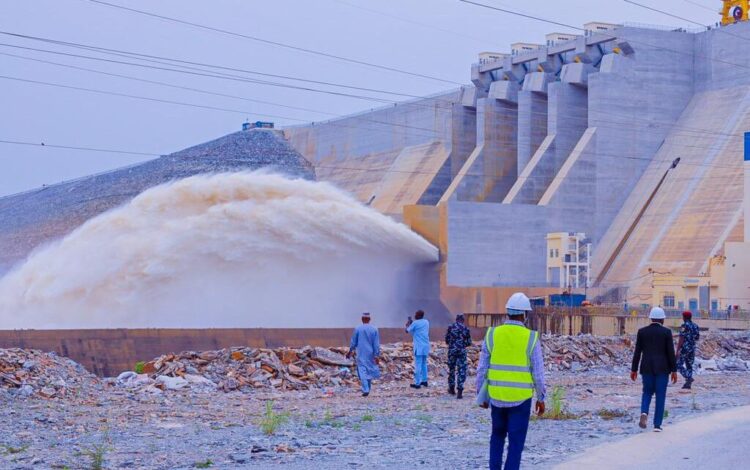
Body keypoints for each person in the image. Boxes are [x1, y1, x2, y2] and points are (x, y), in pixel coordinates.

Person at [476, 293, 545, 470]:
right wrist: (541, 397)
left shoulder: (492, 334)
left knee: (497, 437)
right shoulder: (531, 337)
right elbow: (537, 372)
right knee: (516, 443)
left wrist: (481, 396)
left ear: (508, 312)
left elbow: (482, 368)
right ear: (524, 315)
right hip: (521, 400)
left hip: (497, 397)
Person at [630, 306, 678, 432]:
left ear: (651, 318)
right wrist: (674, 370)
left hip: (646, 368)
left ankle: (644, 412)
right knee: (660, 396)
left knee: (647, 392)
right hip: (662, 369)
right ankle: (657, 425)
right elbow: (670, 353)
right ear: (662, 320)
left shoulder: (642, 332)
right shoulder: (666, 332)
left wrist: (633, 369)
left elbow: (637, 352)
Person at [346, 312, 380, 397]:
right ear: (369, 319)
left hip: (361, 353)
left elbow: (353, 341)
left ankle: (366, 389)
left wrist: (350, 351)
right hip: (371, 353)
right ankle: (368, 388)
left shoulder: (358, 328)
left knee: (362, 371)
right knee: (369, 370)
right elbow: (376, 344)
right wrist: (376, 355)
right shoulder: (374, 329)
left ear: (362, 319)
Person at [445, 313, 473, 399]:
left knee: (452, 369)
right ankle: (460, 390)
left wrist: (452, 344)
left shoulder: (450, 327)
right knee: (462, 370)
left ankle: (451, 388)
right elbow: (469, 342)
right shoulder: (465, 328)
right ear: (463, 320)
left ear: (456, 319)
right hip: (461, 351)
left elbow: (446, 340)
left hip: (452, 351)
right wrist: (462, 344)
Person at [406, 310, 430, 389]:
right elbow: (418, 329)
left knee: (418, 365)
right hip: (426, 346)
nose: (415, 315)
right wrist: (412, 324)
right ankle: (425, 381)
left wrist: (408, 324)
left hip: (419, 347)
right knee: (424, 364)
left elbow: (407, 330)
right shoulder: (426, 322)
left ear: (418, 315)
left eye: (416, 314)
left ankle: (417, 383)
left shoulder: (415, 323)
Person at [676, 310, 700, 389]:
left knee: (678, 364)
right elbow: (697, 337)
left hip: (685, 348)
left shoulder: (684, 326)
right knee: (689, 365)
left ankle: (688, 377)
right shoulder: (696, 326)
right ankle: (688, 384)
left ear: (684, 317)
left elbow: (681, 338)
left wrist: (677, 350)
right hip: (692, 348)